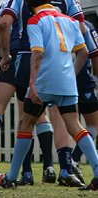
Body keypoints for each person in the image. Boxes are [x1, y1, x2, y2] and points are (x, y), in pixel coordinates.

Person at [0, 0, 98, 191]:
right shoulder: (70, 21)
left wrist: (33, 83)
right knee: (75, 126)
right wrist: (70, 76)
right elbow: (84, 53)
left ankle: (12, 177)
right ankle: (97, 173)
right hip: (66, 83)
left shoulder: (35, 21)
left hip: (44, 82)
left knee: (27, 123)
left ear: (30, 6)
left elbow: (37, 55)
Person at [0, 0, 55, 186]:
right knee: (44, 115)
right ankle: (53, 166)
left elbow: (1, 26)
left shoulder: (15, 3)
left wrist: (3, 55)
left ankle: (23, 172)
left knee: (23, 116)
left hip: (24, 55)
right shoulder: (60, 7)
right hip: (54, 62)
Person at [71, 20, 98, 184]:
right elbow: (94, 54)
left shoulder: (47, 20)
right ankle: (72, 161)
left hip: (54, 80)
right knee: (93, 124)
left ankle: (44, 168)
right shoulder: (84, 25)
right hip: (81, 81)